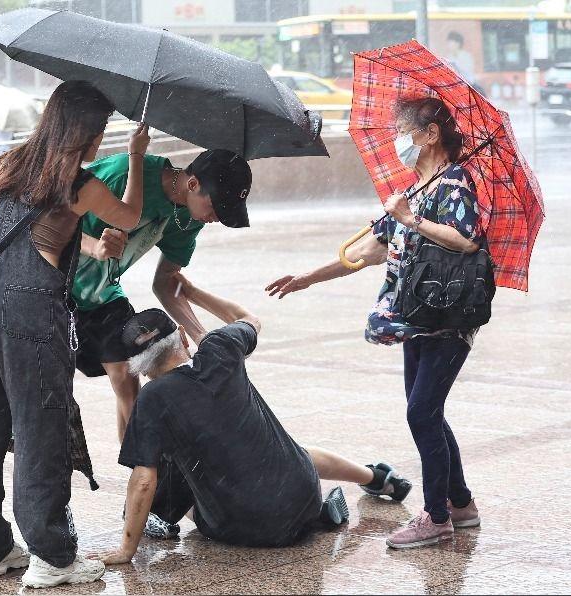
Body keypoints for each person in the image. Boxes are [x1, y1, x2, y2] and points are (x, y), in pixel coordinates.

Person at [0, 80, 150, 589]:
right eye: (100, 132)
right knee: (40, 429)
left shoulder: (6, 164)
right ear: (87, 132)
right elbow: (131, 216)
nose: (102, 141)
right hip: (34, 311)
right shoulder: (80, 184)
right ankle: (53, 556)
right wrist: (138, 157)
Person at [266, 96, 484, 549]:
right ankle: (461, 503)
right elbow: (365, 253)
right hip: (414, 319)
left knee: (421, 413)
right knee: (428, 414)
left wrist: (412, 219)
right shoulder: (414, 190)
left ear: (430, 134)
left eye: (406, 131)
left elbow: (465, 239)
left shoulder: (454, 183)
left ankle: (437, 516)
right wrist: (308, 278)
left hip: (447, 319)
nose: (399, 140)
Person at [89, 278, 411, 564]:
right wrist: (192, 292)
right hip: (303, 494)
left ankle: (159, 517)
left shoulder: (152, 398)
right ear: (184, 338)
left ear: (139, 368)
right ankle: (375, 477)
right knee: (283, 449)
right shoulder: (219, 348)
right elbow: (249, 319)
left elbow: (144, 480)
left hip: (243, 527)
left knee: (175, 471)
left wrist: (125, 551)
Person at [73, 148, 253, 446]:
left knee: (126, 376)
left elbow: (166, 283)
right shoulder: (123, 174)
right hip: (54, 289)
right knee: (53, 396)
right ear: (193, 184)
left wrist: (202, 337)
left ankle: (143, 472)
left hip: (103, 293)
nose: (217, 218)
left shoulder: (190, 217)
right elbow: (50, 222)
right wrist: (94, 247)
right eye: (217, 207)